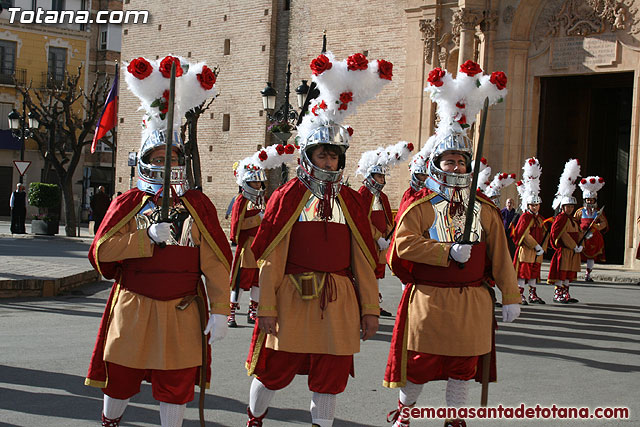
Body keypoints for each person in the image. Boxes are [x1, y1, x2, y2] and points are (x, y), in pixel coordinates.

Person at [245, 51, 392, 427]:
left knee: (330, 376)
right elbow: (271, 256)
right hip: (292, 297)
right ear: (309, 156)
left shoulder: (351, 201)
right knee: (273, 370)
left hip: (340, 303)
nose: (328, 163)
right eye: (322, 155)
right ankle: (255, 419)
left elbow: (363, 260)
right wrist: (266, 307)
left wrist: (370, 309)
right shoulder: (288, 196)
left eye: (333, 157)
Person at [85, 55, 231, 427]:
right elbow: (101, 253)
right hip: (133, 305)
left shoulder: (197, 204)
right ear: (146, 159)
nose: (167, 161)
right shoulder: (128, 203)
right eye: (159, 155)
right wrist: (143, 238)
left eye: (173, 155)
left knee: (177, 382)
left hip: (182, 308)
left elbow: (215, 261)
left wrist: (218, 309)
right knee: (119, 379)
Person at [384, 62, 520, 427]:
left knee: (462, 369)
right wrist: (445, 252)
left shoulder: (486, 209)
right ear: (436, 164)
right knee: (419, 366)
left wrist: (510, 296)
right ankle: (405, 415)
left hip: (472, 302)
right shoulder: (421, 206)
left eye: (462, 162)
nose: (458, 167)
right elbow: (402, 246)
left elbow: (500, 257)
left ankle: (455, 421)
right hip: (430, 299)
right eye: (450, 160)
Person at [228, 145, 297, 327]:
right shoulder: (241, 200)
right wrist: (256, 220)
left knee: (258, 282)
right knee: (239, 283)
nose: (258, 185)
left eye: (259, 182)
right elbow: (237, 224)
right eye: (254, 183)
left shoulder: (262, 200)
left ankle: (253, 311)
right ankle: (232, 312)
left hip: (260, 248)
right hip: (246, 249)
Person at [356, 141, 414, 316]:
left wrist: (388, 236)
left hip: (381, 242)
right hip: (369, 242)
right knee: (366, 274)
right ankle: (364, 304)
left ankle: (374, 303)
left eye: (382, 177)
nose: (382, 180)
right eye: (379, 177)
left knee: (377, 275)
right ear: (370, 176)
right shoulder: (363, 194)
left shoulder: (382, 196)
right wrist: (377, 237)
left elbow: (388, 217)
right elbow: (362, 220)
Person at [513, 158, 548, 304]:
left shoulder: (540, 218)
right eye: (532, 205)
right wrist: (535, 246)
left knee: (534, 273)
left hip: (537, 251)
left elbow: (544, 232)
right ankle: (520, 294)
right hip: (527, 249)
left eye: (537, 205)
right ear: (528, 205)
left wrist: (543, 248)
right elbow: (523, 234)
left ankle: (533, 294)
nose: (535, 207)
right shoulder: (525, 217)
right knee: (523, 273)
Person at [547, 159, 582, 304]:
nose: (570, 209)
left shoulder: (572, 219)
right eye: (567, 207)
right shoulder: (561, 218)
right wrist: (573, 245)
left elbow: (578, 232)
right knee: (561, 273)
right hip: (565, 249)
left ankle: (566, 293)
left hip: (573, 250)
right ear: (563, 207)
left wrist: (581, 243)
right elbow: (560, 234)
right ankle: (558, 293)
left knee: (569, 273)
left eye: (571, 207)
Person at [575, 176, 608, 282]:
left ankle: (588, 274)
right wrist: (580, 229)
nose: (589, 201)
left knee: (591, 257)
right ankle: (573, 273)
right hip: (582, 235)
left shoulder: (598, 212)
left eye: (591, 199)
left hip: (593, 236)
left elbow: (604, 223)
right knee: (577, 254)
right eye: (588, 199)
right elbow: (574, 222)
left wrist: (596, 226)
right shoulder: (580, 211)